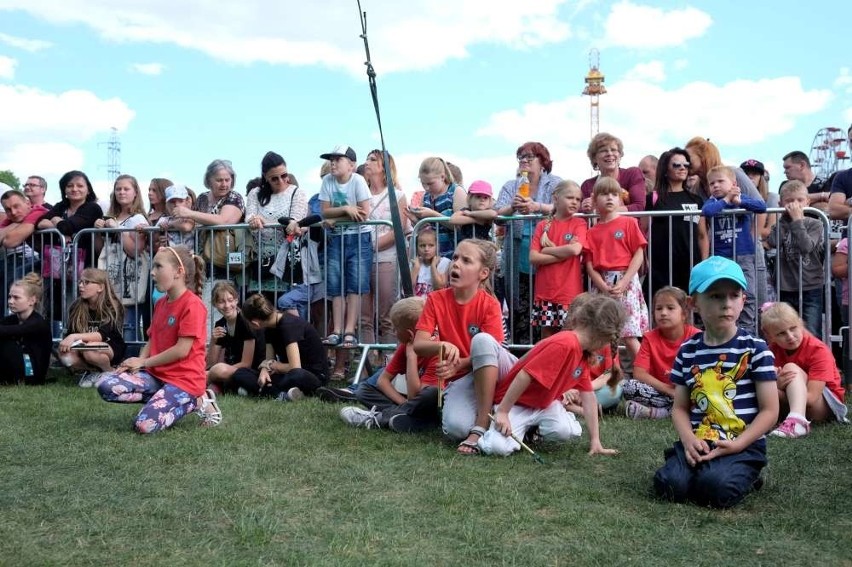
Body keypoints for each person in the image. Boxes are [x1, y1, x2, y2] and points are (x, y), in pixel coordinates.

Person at [653, 256, 778, 509]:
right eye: (715, 296)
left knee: (714, 489)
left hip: (743, 444)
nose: (726, 304)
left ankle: (747, 474)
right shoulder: (688, 351)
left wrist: (740, 444)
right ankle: (693, 466)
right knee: (668, 485)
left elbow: (770, 410)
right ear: (693, 303)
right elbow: (679, 407)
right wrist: (688, 439)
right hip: (700, 440)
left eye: (734, 295)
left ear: (744, 300)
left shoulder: (756, 349)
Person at [97, 245, 221, 433]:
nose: (152, 273)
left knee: (144, 426)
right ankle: (162, 398)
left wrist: (144, 362)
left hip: (184, 381)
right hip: (156, 375)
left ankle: (196, 400)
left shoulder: (193, 305)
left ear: (179, 272)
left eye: (158, 266)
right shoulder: (161, 303)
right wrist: (138, 363)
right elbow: (152, 339)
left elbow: (181, 350)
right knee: (106, 386)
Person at [480, 294, 623, 457]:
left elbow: (588, 396)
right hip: (517, 404)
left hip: (542, 405)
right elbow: (524, 376)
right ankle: (497, 427)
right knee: (497, 448)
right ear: (603, 337)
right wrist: (504, 412)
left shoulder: (583, 352)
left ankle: (530, 429)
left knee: (566, 432)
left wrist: (595, 441)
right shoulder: (565, 343)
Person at [413, 238, 507, 454]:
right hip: (462, 378)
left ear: (483, 273)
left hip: (491, 372)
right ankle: (489, 415)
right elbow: (419, 344)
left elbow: (492, 354)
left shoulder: (490, 304)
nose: (455, 264)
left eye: (466, 260)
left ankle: (483, 423)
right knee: (455, 429)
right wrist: (442, 346)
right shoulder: (435, 299)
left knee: (483, 341)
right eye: (455, 257)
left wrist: (459, 364)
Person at [338, 296, 441, 432]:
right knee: (363, 390)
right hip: (412, 402)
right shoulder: (405, 345)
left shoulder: (436, 350)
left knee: (431, 394)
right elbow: (383, 381)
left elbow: (415, 396)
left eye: (395, 328)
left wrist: (411, 356)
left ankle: (378, 418)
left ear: (409, 334)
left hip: (432, 404)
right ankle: (407, 416)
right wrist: (405, 405)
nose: (393, 332)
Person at [494, 142, 562, 346]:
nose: (524, 161)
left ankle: (546, 353)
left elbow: (565, 206)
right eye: (521, 157)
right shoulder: (510, 185)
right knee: (519, 312)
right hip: (518, 257)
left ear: (543, 162)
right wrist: (511, 207)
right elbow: (497, 215)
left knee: (547, 312)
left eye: (530, 157)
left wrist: (537, 206)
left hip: (546, 255)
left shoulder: (556, 183)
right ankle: (520, 356)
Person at [760, 302, 848, 438]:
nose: (790, 336)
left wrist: (772, 390)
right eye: (781, 333)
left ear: (801, 323)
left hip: (825, 405)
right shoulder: (771, 351)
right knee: (761, 382)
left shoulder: (817, 349)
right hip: (794, 401)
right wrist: (775, 386)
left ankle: (797, 420)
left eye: (793, 328)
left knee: (789, 369)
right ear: (770, 336)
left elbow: (812, 398)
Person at [584, 177, 649, 361]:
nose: (610, 198)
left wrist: (625, 281)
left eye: (614, 194)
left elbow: (638, 254)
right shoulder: (592, 231)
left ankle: (647, 376)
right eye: (604, 194)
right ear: (595, 199)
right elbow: (589, 265)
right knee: (602, 334)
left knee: (629, 335)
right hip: (603, 282)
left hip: (626, 281)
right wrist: (603, 287)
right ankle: (605, 376)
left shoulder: (629, 223)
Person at [36, 171, 103, 337]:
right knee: (51, 304)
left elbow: (68, 227)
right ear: (64, 189)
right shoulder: (61, 206)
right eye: (70, 185)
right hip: (58, 266)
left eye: (80, 185)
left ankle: (73, 344)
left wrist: (57, 221)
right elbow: (39, 222)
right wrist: (58, 225)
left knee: (74, 305)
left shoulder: (92, 208)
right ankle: (54, 345)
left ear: (88, 189)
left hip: (83, 266)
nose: (75, 189)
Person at [318, 145, 372, 350]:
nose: (333, 163)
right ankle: (337, 330)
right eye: (331, 159)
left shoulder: (357, 181)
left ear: (351, 165)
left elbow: (364, 213)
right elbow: (325, 212)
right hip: (337, 239)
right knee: (335, 284)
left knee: (355, 285)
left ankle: (350, 330)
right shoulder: (327, 181)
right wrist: (345, 209)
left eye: (338, 159)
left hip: (358, 238)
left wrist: (337, 217)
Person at [701, 165, 767, 332]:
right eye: (711, 183)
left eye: (720, 181)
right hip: (721, 257)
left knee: (749, 292)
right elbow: (707, 212)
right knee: (723, 291)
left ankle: (747, 329)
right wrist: (725, 201)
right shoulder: (713, 202)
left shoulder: (742, 198)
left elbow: (761, 206)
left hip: (744, 254)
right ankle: (725, 327)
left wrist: (740, 201)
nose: (715, 185)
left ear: (734, 183)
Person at [624, 286, 700, 419]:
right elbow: (639, 373)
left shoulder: (697, 337)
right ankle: (675, 411)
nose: (663, 313)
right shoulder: (649, 337)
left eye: (670, 308)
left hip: (690, 392)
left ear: (684, 314)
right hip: (663, 391)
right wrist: (669, 390)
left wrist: (682, 391)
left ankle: (661, 413)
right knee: (629, 387)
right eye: (659, 308)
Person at [643, 148, 707, 300]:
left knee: (688, 309)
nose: (683, 168)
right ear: (665, 170)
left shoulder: (696, 200)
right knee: (659, 308)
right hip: (661, 265)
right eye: (676, 165)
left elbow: (702, 235)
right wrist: (644, 260)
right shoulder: (653, 198)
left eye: (686, 164)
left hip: (690, 264)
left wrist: (703, 264)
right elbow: (642, 231)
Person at [238, 293, 328, 400]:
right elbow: (269, 359)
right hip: (285, 372)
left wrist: (272, 366)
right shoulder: (268, 328)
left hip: (310, 375)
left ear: (255, 323)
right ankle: (281, 393)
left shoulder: (288, 326)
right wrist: (264, 370)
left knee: (295, 375)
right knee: (240, 373)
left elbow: (295, 367)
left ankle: (270, 392)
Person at [361, 149, 408, 350]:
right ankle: (368, 362)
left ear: (385, 167)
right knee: (363, 316)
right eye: (367, 159)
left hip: (386, 259)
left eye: (373, 159)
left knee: (387, 315)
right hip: (361, 261)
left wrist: (370, 246)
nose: (367, 162)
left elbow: (400, 227)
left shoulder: (397, 195)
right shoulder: (359, 195)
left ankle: (389, 362)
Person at [765, 180, 825, 337]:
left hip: (810, 286)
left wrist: (797, 221)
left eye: (799, 200)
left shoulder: (815, 224)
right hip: (786, 287)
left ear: (808, 201)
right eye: (789, 201)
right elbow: (772, 242)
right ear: (781, 203)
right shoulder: (781, 223)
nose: (795, 204)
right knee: (787, 329)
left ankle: (812, 360)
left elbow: (806, 247)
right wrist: (785, 221)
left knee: (811, 330)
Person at [94, 174, 149, 343]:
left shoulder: (138, 219)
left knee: (128, 324)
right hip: (111, 272)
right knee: (112, 321)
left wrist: (118, 229)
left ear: (135, 193)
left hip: (130, 276)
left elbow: (135, 251)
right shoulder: (110, 217)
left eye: (126, 189)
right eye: (118, 189)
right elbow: (99, 250)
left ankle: (129, 360)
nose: (121, 192)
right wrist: (98, 231)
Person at [528, 180, 586, 339]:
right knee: (547, 337)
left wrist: (547, 250)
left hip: (569, 293)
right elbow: (533, 257)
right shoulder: (542, 225)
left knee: (569, 336)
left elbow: (575, 250)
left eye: (578, 199)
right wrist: (563, 253)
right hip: (545, 292)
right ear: (555, 198)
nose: (575, 202)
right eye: (570, 197)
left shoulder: (579, 223)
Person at [172, 159, 245, 279]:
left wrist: (189, 213)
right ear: (209, 180)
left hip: (224, 260)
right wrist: (169, 224)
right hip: (201, 258)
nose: (224, 184)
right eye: (219, 180)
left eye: (227, 180)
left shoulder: (234, 197)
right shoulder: (202, 198)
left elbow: (224, 221)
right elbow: (190, 224)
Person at [245, 151, 306, 292]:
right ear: (266, 177)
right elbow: (249, 217)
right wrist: (254, 220)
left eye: (284, 175)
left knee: (286, 308)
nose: (281, 181)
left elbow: (295, 223)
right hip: (261, 260)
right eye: (274, 178)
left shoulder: (297, 193)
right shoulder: (255, 193)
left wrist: (264, 221)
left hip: (288, 259)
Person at [57, 268, 126, 387]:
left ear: (100, 287)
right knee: (65, 355)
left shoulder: (113, 306)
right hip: (83, 347)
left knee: (90, 349)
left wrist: (74, 337)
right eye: (80, 282)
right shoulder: (76, 306)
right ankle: (93, 372)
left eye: (87, 282)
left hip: (110, 347)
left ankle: (110, 372)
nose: (81, 286)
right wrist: (68, 342)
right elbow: (71, 332)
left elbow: (101, 335)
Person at [206, 281, 265, 393]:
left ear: (237, 300)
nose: (227, 306)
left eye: (230, 300)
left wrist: (212, 372)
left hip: (252, 371)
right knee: (214, 368)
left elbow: (246, 363)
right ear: (215, 304)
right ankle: (217, 387)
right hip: (233, 370)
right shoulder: (220, 324)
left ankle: (207, 384)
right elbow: (211, 364)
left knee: (219, 370)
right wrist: (213, 340)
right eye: (221, 302)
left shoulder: (245, 322)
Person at [407, 157, 467, 258]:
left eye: (430, 183)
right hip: (432, 258)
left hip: (454, 255)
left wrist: (432, 214)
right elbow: (426, 228)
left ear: (442, 177)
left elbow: (461, 227)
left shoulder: (456, 192)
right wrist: (416, 222)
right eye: (423, 183)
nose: (426, 187)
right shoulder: (426, 196)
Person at [0, 273, 51, 385]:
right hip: (17, 367)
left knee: (6, 343)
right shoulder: (10, 320)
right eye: (9, 296)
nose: (10, 301)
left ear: (32, 301)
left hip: (32, 374)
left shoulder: (38, 323)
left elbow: (13, 331)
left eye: (16, 297)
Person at [580, 133, 646, 213]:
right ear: (594, 158)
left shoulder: (632, 174)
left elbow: (639, 207)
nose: (609, 154)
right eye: (603, 151)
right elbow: (583, 215)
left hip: (627, 225)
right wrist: (583, 208)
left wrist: (599, 211)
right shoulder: (587, 185)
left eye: (614, 150)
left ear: (620, 155)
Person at [0, 189, 47, 294]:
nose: (13, 212)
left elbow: (9, 242)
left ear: (28, 203)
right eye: (8, 209)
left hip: (37, 259)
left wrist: (11, 228)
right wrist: (16, 224)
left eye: (16, 206)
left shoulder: (38, 211)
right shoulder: (13, 219)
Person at [411, 227, 449, 298]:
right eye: (422, 246)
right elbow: (408, 288)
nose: (426, 249)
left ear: (437, 246)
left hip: (436, 303)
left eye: (431, 245)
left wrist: (433, 266)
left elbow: (439, 287)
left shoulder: (444, 262)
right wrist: (416, 268)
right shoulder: (415, 263)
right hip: (417, 304)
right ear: (417, 247)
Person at [156, 184, 197, 250]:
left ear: (187, 202)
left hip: (188, 258)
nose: (176, 204)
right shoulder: (163, 220)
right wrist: (160, 241)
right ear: (167, 205)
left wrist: (169, 224)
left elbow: (186, 227)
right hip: (171, 257)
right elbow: (154, 241)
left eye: (180, 201)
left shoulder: (190, 217)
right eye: (172, 202)